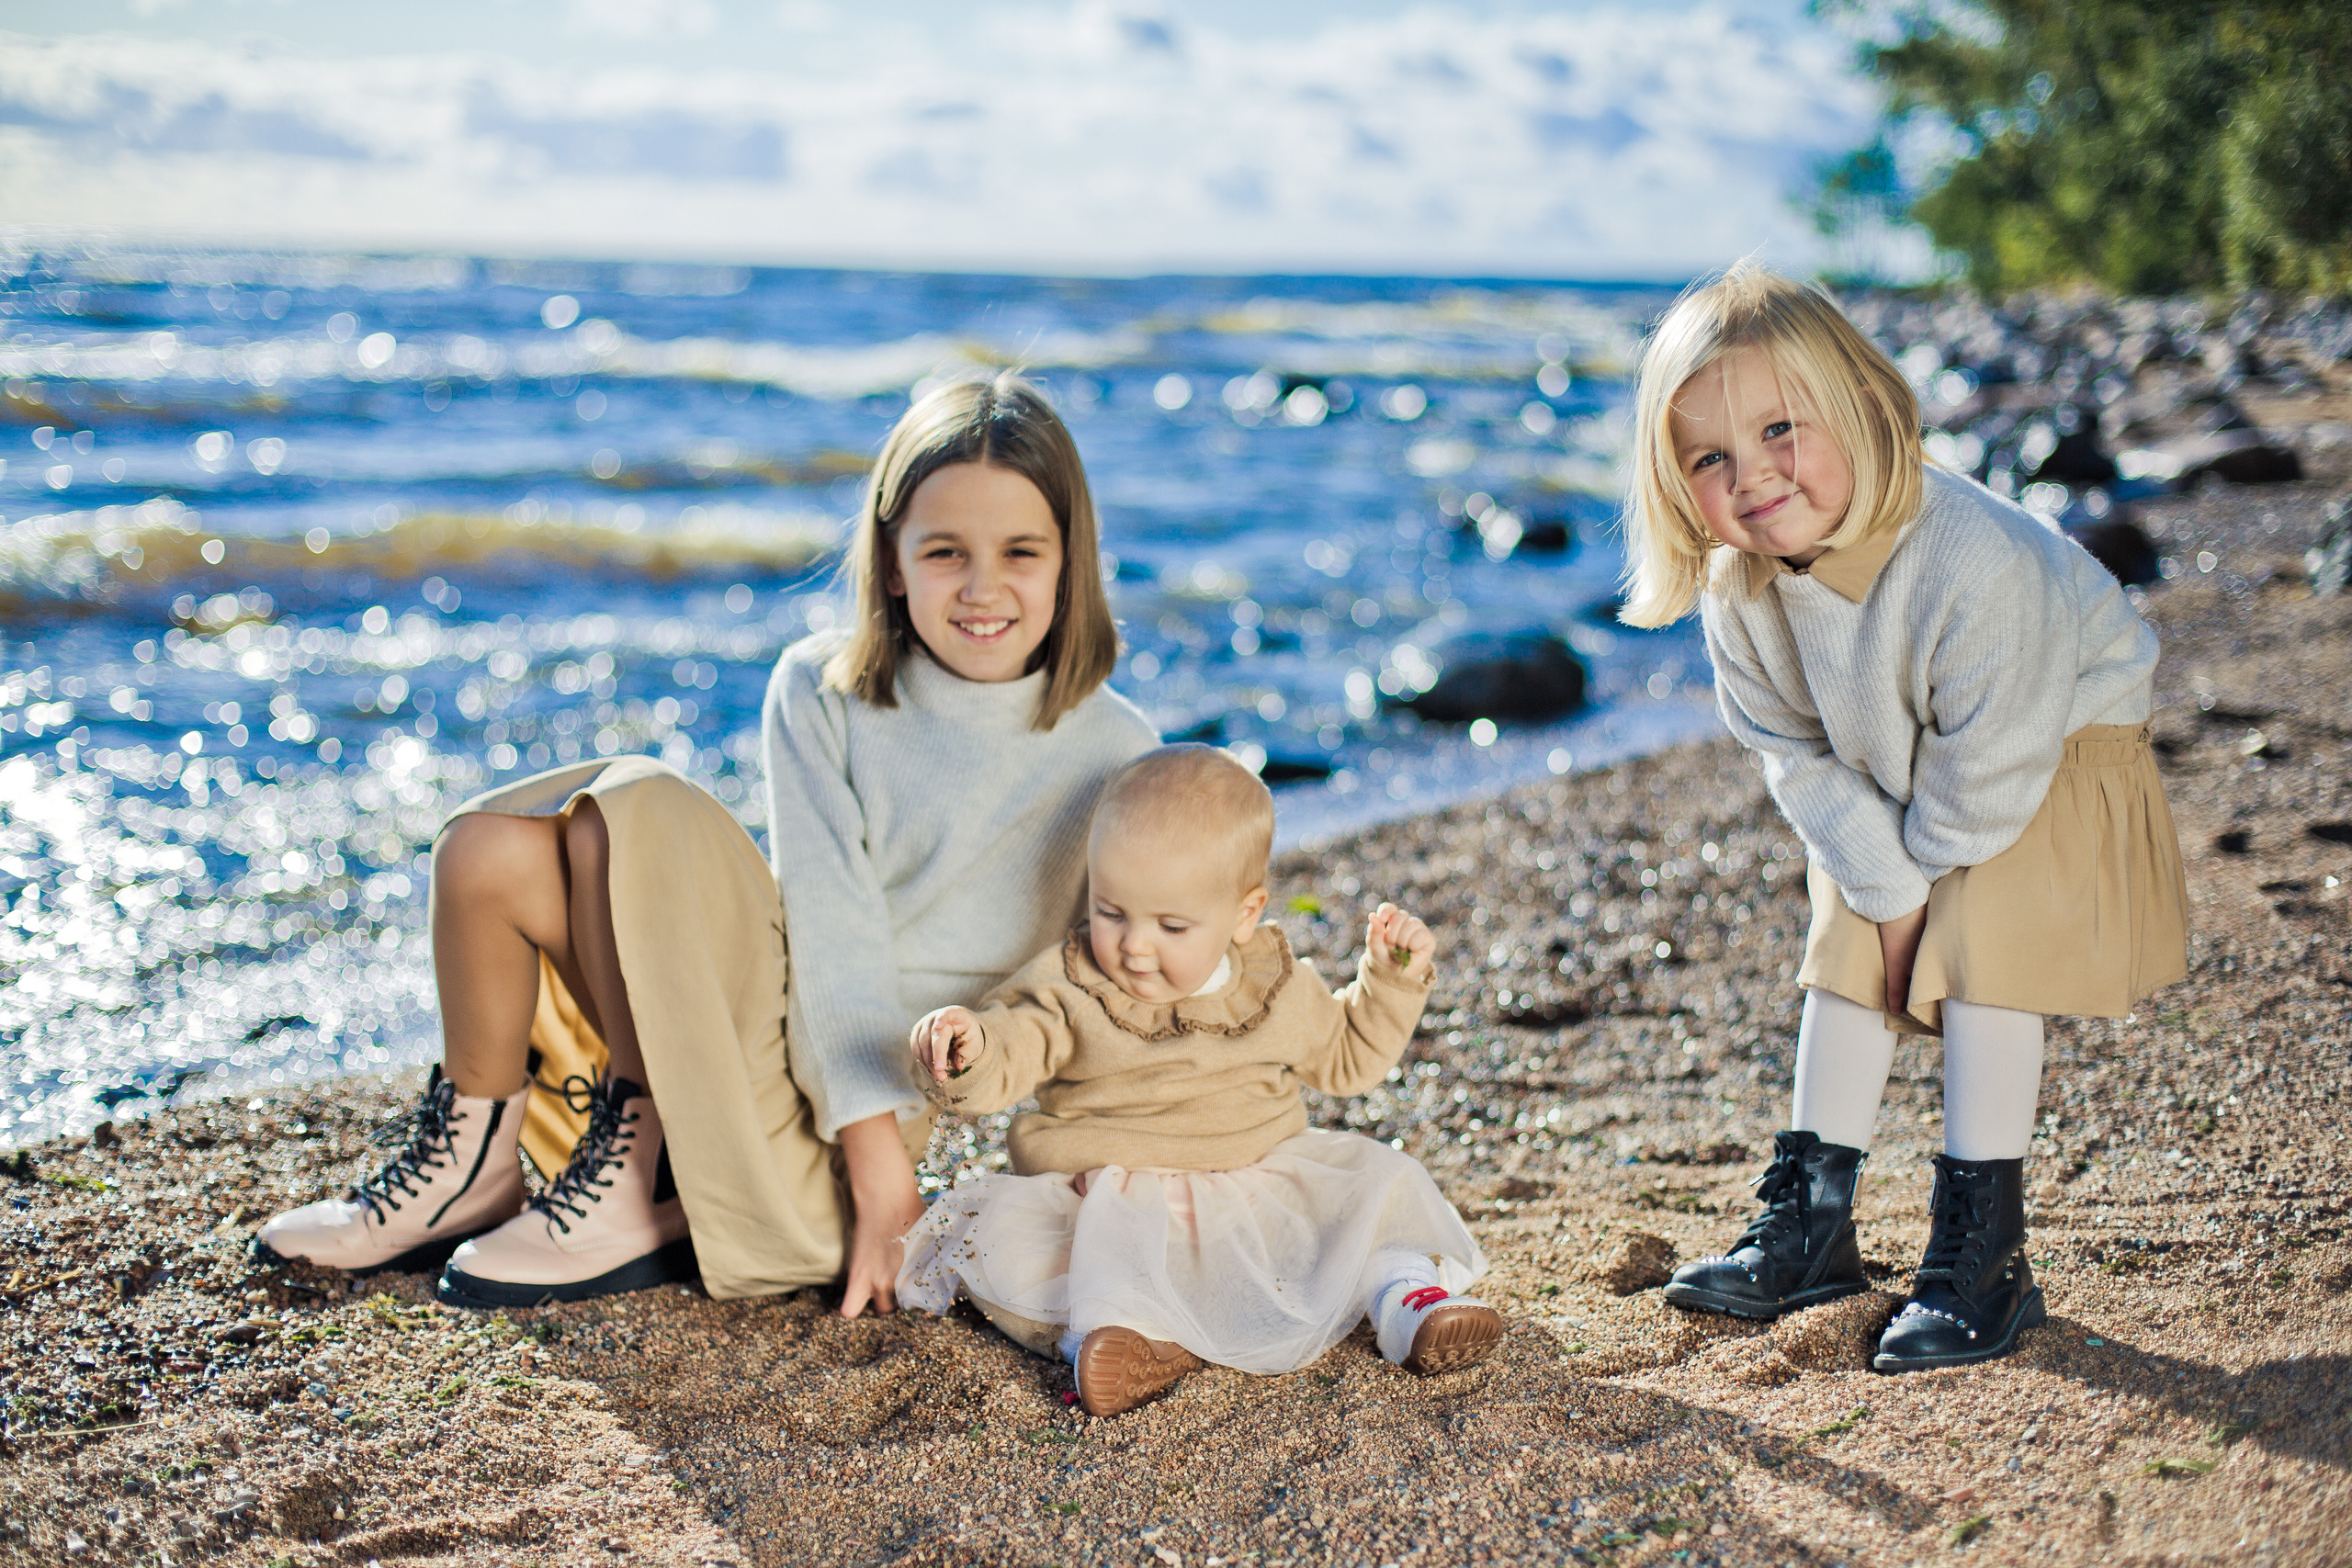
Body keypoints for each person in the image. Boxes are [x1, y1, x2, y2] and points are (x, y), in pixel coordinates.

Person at [255, 372, 1158, 1315]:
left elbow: (1122, 995)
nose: (982, 588)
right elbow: (826, 928)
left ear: (1069, 561)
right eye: (942, 551)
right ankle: (476, 1168)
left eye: (1021, 551)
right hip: (759, 1020)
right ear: (890, 562)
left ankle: (647, 1189)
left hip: (837, 1157)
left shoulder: (1117, 754)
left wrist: (899, 1182)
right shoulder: (820, 688)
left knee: (634, 803)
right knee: (488, 851)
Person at [1617, 264, 2187, 1372]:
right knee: (1845, 933)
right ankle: (1812, 1222)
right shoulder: (1740, 594)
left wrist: (1920, 896)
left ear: (1865, 408)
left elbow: (1993, 763)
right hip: (1897, 761)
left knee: (1980, 945)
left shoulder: (1972, 556)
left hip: (2052, 747)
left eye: (1782, 428)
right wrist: (1882, 898)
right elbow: (1794, 755)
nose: (1755, 476)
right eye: (1709, 458)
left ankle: (1983, 1253)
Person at [897, 744, 1502, 1416]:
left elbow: (1347, 1057)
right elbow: (1018, 1043)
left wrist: (1387, 981)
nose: (1134, 945)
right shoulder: (1072, 985)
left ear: (1244, 914)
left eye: (1172, 925)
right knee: (1004, 1247)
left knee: (1374, 1193)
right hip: (1113, 1202)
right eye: (1111, 910)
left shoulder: (1270, 985)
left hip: (1256, 1190)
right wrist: (973, 1047)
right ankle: (1125, 1343)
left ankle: (1407, 1301)